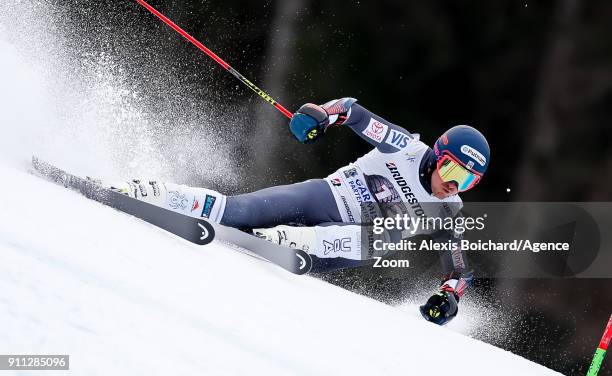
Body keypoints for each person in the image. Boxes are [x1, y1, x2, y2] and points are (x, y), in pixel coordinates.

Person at [106, 98, 490, 325]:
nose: (455, 184)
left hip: (339, 246)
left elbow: (457, 269)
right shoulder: (403, 145)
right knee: (241, 209)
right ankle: (153, 193)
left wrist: (449, 297)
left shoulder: (445, 210)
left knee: (380, 239)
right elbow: (352, 112)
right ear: (438, 156)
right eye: (454, 170)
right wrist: (322, 115)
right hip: (322, 198)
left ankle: (288, 239)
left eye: (468, 182)